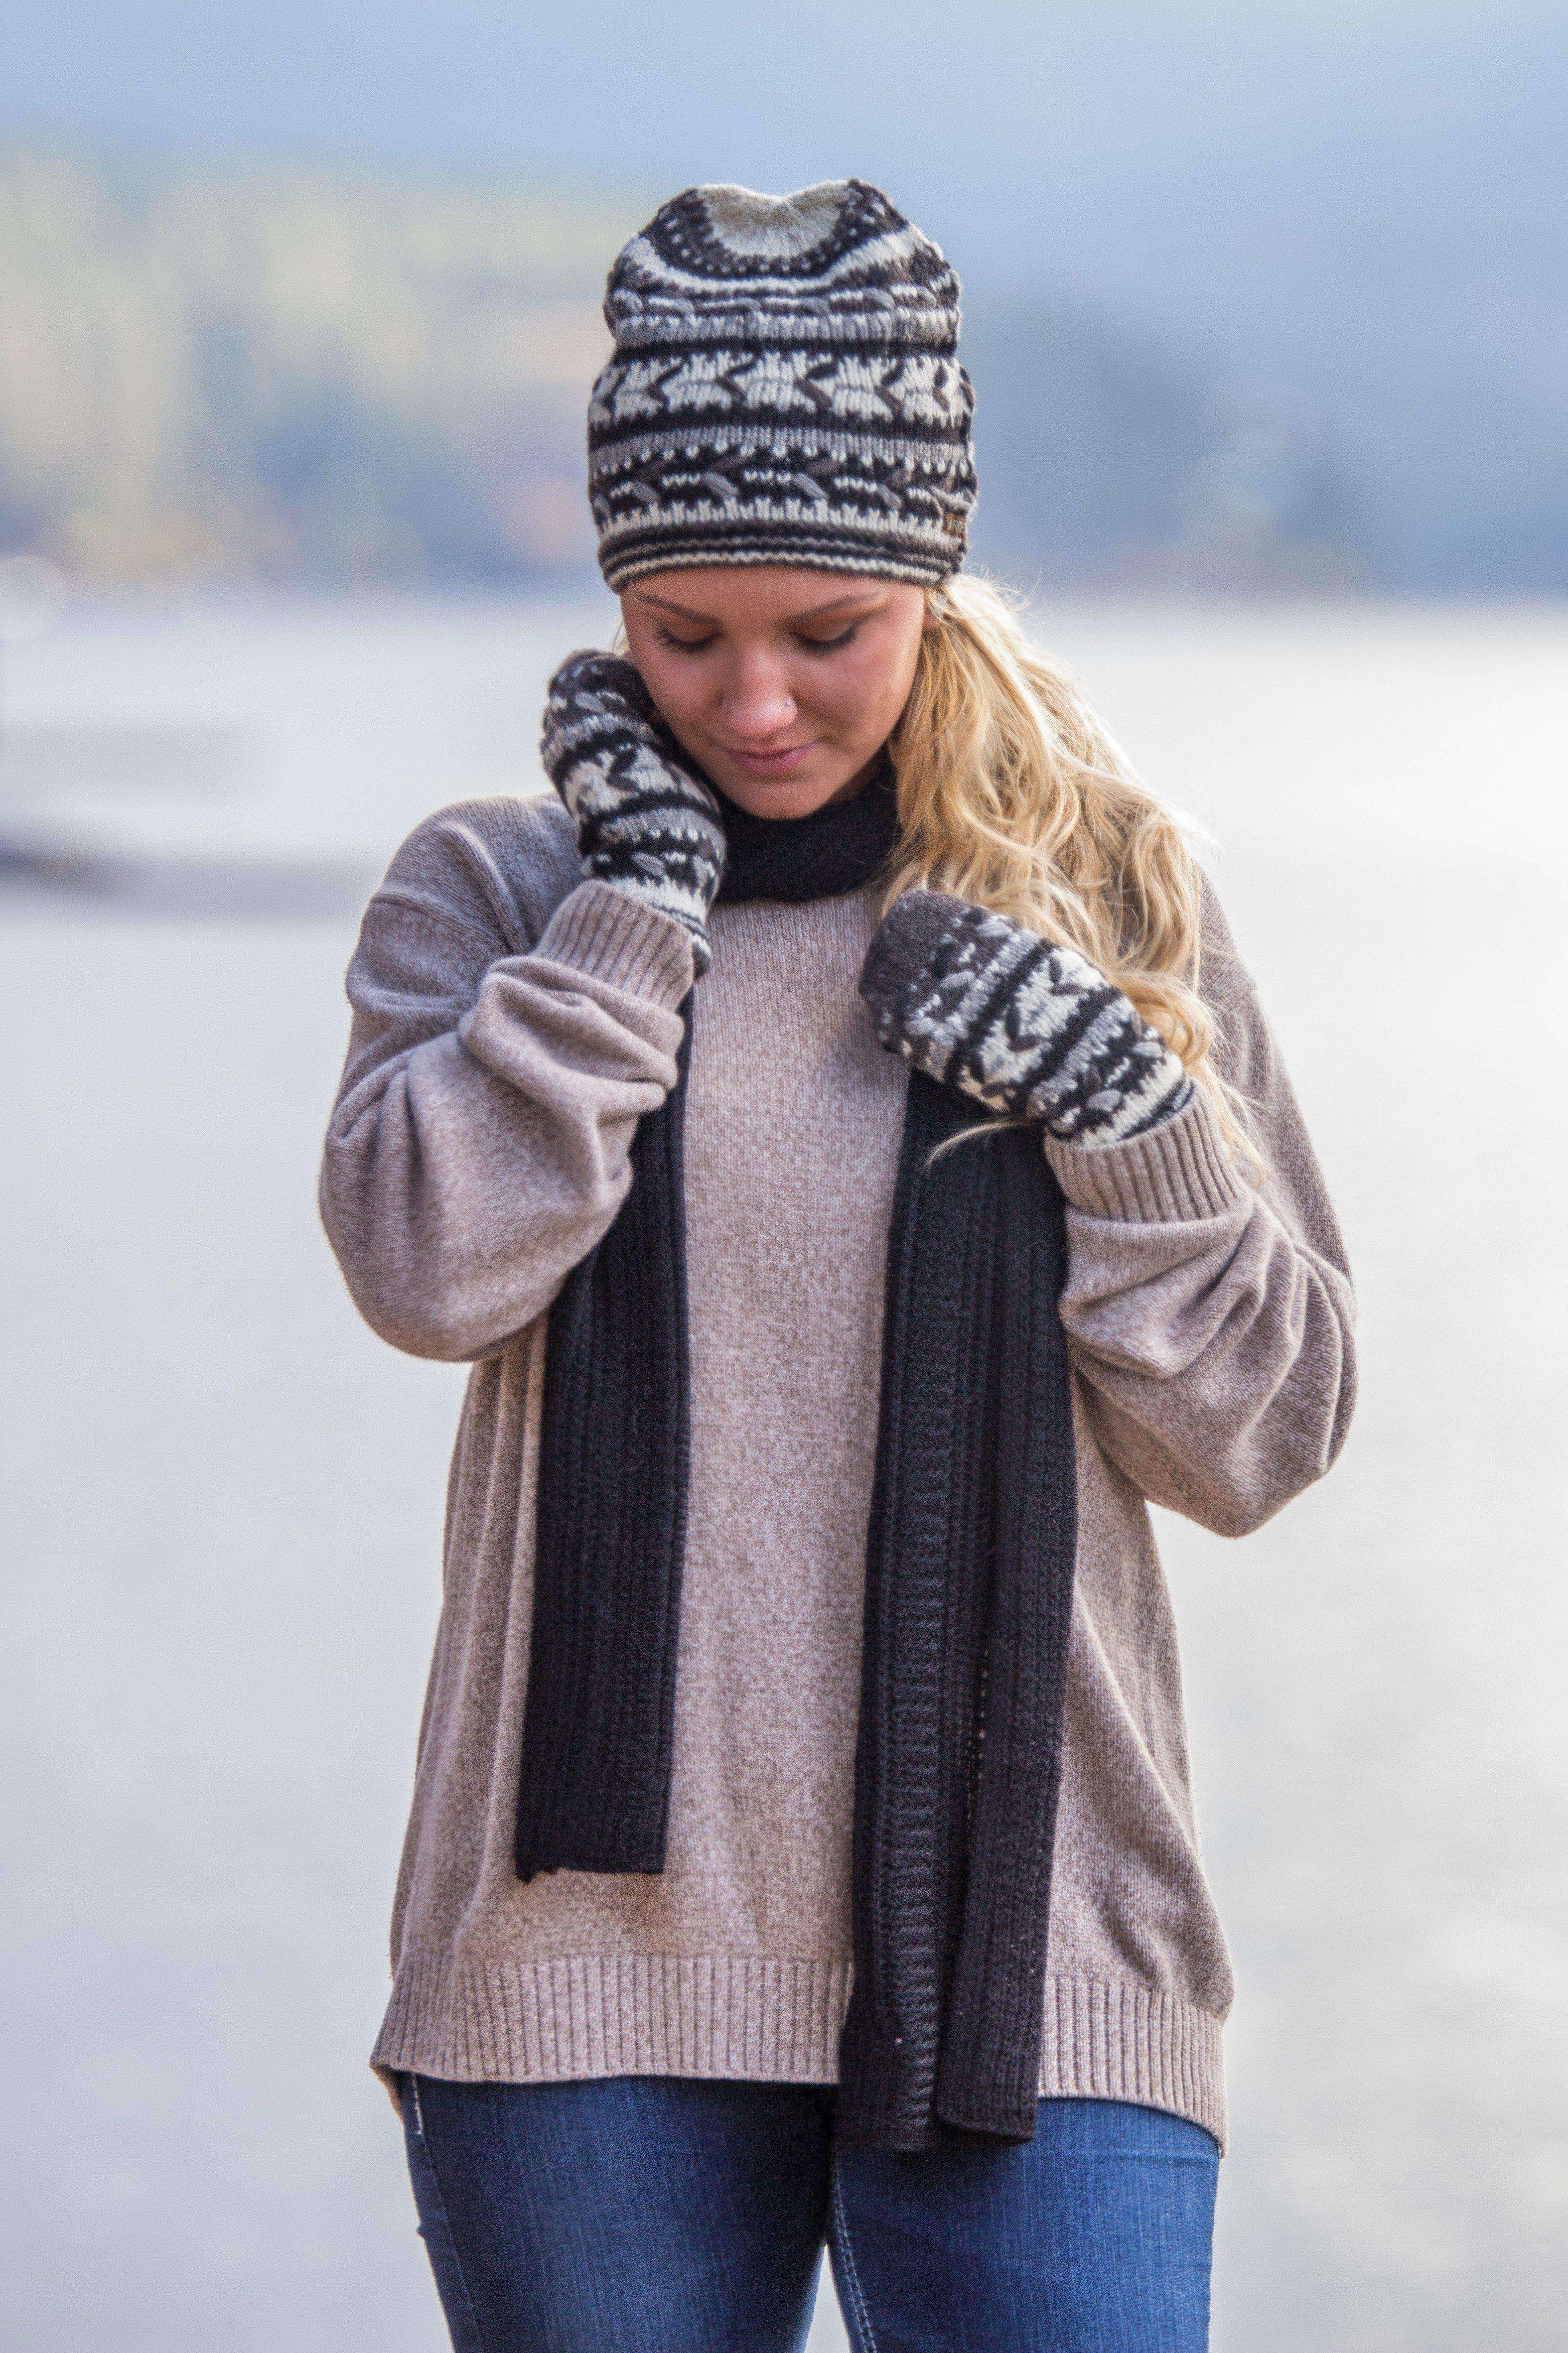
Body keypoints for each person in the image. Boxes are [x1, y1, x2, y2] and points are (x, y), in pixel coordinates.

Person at [320, 178, 1356, 2353]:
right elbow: (428, 1264)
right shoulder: (499, 891)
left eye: (825, 632)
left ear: (928, 583)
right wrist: (637, 914)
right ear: (615, 595)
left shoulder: (1110, 901)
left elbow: (1261, 1432)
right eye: (685, 634)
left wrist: (1123, 1109)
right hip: (583, 1970)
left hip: (1038, 1955)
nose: (757, 702)